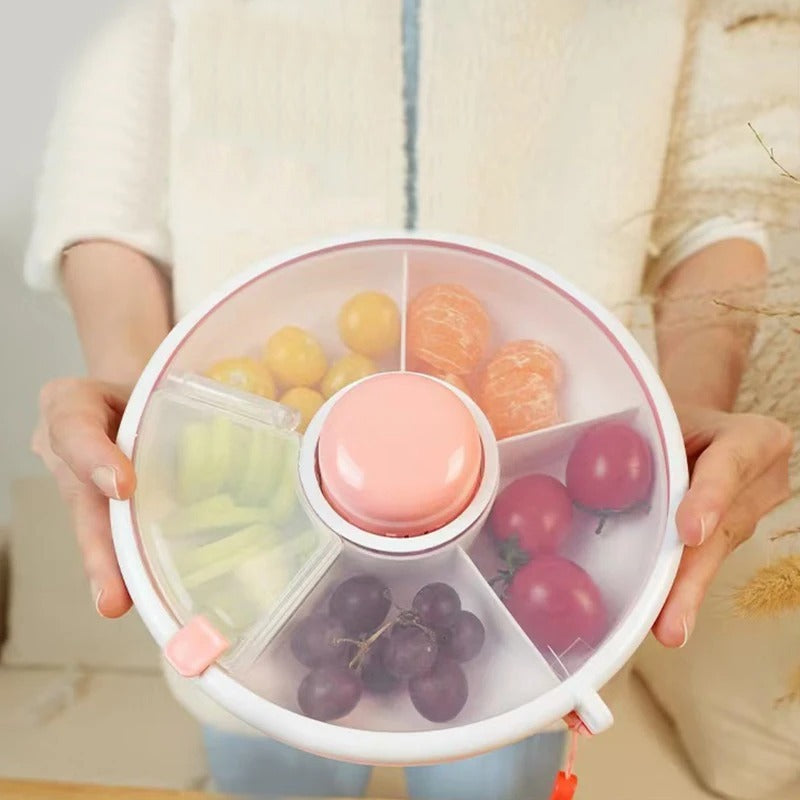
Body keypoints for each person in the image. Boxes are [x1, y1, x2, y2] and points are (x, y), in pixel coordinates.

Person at [24, 2, 797, 799]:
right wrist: (141, 398)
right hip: (256, 475)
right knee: (271, 766)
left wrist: (686, 415)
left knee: (495, 773)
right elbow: (105, 182)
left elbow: (724, 190)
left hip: (539, 474)